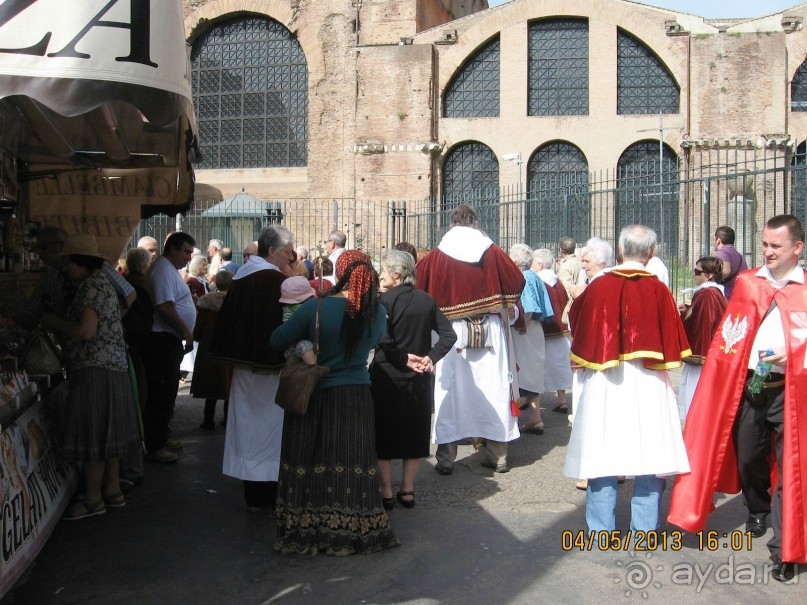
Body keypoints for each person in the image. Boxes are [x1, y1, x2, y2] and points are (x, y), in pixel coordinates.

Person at [668, 215, 807, 582]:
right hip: (751, 385)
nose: (768, 252)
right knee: (748, 453)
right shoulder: (748, 284)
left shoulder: (806, 289)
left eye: (776, 246)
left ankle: (785, 549)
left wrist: (792, 351)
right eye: (765, 244)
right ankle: (757, 508)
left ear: (798, 247)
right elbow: (728, 337)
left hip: (792, 390)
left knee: (794, 467)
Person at [270, 250, 400, 555]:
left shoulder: (315, 308)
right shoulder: (377, 313)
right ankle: (350, 531)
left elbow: (276, 340)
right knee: (351, 462)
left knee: (308, 460)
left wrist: (304, 344)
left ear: (339, 272)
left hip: (315, 393)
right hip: (355, 396)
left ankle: (305, 528)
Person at [563, 224, 691, 532]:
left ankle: (600, 531)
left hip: (605, 379)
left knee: (601, 450)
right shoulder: (658, 288)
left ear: (620, 250)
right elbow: (672, 335)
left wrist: (583, 353)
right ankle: (644, 532)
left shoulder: (600, 285)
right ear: (652, 252)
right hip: (649, 381)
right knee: (650, 451)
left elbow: (576, 318)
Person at [416, 204, 525, 475]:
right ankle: (498, 454)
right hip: (491, 328)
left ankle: (445, 458)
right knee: (494, 388)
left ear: (452, 223)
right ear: (475, 223)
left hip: (451, 334)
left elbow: (420, 286)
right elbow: (517, 281)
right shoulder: (492, 251)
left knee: (451, 392)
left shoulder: (437, 256)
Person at [40, 234, 140, 520]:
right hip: (112, 367)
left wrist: (53, 321)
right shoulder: (104, 283)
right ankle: (113, 491)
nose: (66, 269)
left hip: (93, 370)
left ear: (78, 263)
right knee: (108, 434)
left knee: (94, 436)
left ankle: (93, 499)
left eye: (68, 263)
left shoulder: (90, 287)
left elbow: (86, 331)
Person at [210, 226, 293, 511]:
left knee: (248, 426)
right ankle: (269, 491)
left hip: (246, 371)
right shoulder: (275, 280)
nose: (290, 257)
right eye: (286, 253)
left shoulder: (242, 278)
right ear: (271, 251)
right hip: (271, 370)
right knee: (271, 428)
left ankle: (253, 492)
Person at [371, 250, 456, 510]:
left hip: (386, 374)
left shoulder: (383, 302)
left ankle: (386, 490)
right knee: (414, 433)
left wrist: (402, 358)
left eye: (384, 271)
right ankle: (407, 489)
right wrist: (430, 358)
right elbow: (448, 335)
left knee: (383, 433)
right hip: (418, 376)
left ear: (396, 275)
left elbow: (383, 339)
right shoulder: (426, 300)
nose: (380, 275)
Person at [143, 232, 196, 464]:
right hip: (162, 340)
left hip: (168, 339)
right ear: (172, 249)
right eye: (185, 251)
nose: (188, 257)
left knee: (167, 393)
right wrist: (185, 329)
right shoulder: (163, 270)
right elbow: (164, 306)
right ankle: (155, 444)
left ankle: (161, 436)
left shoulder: (168, 269)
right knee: (160, 394)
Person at [509, 243, 553, 435]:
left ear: (516, 260)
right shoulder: (534, 276)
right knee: (532, 374)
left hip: (522, 331)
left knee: (519, 374)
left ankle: (519, 418)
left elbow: (527, 309)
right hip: (534, 331)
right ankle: (536, 418)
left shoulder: (523, 276)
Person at [676, 256, 727, 424]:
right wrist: (688, 310)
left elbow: (705, 323)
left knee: (695, 390)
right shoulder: (710, 293)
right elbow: (701, 317)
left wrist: (701, 352)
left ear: (710, 275)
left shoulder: (708, 294)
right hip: (704, 355)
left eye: (698, 272)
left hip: (702, 355)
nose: (694, 275)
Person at [191, 270, 234, 430]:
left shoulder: (206, 303)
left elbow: (199, 329)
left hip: (209, 348)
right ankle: (228, 419)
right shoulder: (235, 303)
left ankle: (207, 419)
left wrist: (197, 337)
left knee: (211, 386)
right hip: (229, 349)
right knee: (229, 384)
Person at [533, 248, 573, 415]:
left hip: (543, 330)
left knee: (537, 366)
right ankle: (562, 400)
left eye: (534, 262)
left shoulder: (538, 281)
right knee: (560, 364)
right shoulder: (558, 282)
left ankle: (531, 403)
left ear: (540, 264)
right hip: (561, 330)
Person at [278, 276, 317, 365]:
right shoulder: (303, 309)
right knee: (305, 345)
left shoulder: (286, 308)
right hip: (294, 348)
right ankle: (314, 368)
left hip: (288, 350)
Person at [713, 225, 748, 300]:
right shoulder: (738, 255)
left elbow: (726, 271)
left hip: (727, 296)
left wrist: (711, 280)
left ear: (718, 240)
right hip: (739, 294)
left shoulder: (722, 253)